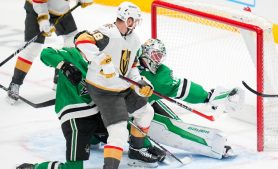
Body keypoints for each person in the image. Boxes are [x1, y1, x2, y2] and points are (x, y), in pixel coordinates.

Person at [74, 2, 160, 169]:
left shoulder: (134, 39)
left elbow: (132, 67)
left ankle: (136, 150)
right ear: (126, 19)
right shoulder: (108, 32)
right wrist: (101, 60)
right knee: (119, 131)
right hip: (103, 90)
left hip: (122, 87)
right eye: (133, 20)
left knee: (146, 111)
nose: (135, 24)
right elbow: (81, 40)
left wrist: (139, 83)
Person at [132, 38, 245, 159]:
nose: (157, 60)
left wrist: (206, 96)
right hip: (124, 109)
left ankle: (210, 143)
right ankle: (139, 147)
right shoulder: (130, 63)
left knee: (176, 122)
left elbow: (179, 87)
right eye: (155, 55)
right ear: (145, 52)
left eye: (160, 56)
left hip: (144, 104)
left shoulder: (158, 74)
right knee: (168, 127)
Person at [15, 46, 109, 169]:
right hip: (76, 117)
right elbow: (46, 53)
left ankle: (94, 138)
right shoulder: (72, 54)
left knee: (123, 125)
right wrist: (65, 66)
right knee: (74, 168)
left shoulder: (104, 58)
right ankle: (35, 168)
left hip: (97, 112)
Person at [7, 0, 93, 104]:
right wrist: (43, 20)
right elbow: (39, 2)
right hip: (36, 8)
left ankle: (59, 80)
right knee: (33, 47)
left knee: (71, 42)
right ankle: (15, 83)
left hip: (61, 10)